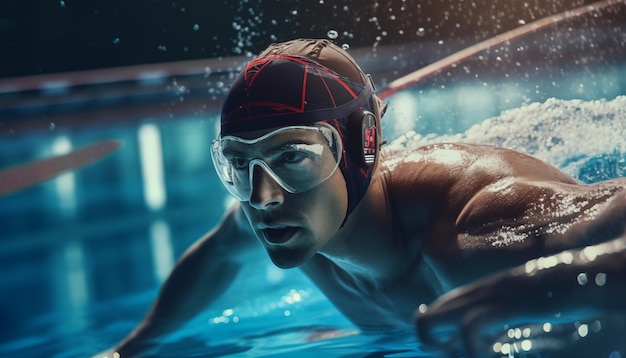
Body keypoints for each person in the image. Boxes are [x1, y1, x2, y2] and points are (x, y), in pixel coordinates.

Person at [96, 38, 626, 357]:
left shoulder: (478, 230)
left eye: (291, 156)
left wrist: (532, 292)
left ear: (360, 146)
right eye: (237, 163)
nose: (261, 197)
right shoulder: (290, 212)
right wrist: (136, 345)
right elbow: (218, 253)